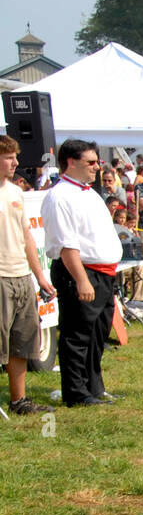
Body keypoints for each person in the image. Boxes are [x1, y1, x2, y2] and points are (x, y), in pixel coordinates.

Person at [41, 139, 122, 408]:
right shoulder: (60, 195)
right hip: (80, 271)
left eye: (97, 161)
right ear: (70, 161)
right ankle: (75, 392)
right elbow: (67, 244)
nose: (96, 167)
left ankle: (93, 386)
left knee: (98, 333)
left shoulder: (89, 193)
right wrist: (81, 279)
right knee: (77, 335)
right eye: (90, 162)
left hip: (103, 272)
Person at [0, 135, 56, 415]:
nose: (16, 162)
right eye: (9, 157)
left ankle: (18, 400)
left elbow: (27, 238)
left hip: (22, 275)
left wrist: (40, 277)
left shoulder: (15, 192)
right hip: (0, 278)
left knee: (21, 342)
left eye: (15, 156)